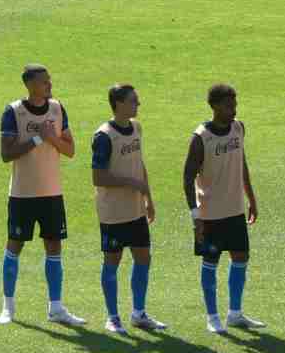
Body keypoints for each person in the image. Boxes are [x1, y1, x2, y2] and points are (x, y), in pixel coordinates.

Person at [0, 63, 84, 326]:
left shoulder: (58, 109)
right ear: (30, 84)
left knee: (54, 247)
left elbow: (69, 150)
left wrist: (51, 138)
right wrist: (38, 139)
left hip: (51, 193)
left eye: (49, 80)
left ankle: (56, 308)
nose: (50, 85)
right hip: (22, 195)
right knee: (15, 245)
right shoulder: (13, 112)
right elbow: (6, 153)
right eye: (45, 81)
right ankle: (8, 307)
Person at [181, 83, 262, 333]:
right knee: (211, 261)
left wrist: (251, 197)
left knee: (241, 257)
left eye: (235, 104)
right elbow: (187, 178)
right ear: (215, 106)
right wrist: (196, 216)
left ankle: (235, 314)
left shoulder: (238, 128)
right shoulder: (200, 138)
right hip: (210, 213)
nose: (234, 109)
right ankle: (212, 316)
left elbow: (242, 162)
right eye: (229, 105)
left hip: (235, 209)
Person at [90, 84, 165, 334]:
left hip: (136, 210)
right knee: (113, 261)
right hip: (113, 212)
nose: (138, 104)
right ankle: (112, 317)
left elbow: (139, 163)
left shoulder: (137, 127)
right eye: (134, 101)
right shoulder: (103, 136)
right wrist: (131, 183)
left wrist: (148, 197)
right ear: (119, 103)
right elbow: (98, 178)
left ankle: (139, 313)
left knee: (143, 257)